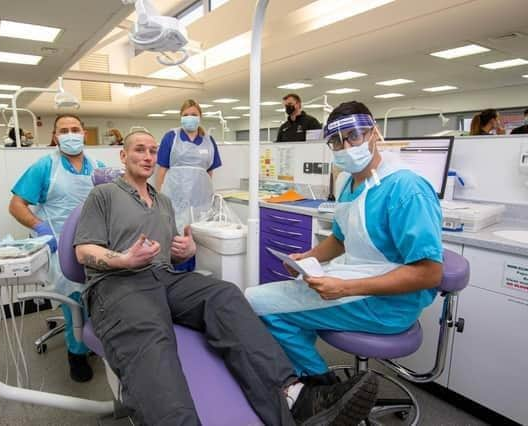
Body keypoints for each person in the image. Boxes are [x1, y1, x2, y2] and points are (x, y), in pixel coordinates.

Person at [74, 130, 379, 426]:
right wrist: (123, 259)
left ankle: (294, 398)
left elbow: (167, 253)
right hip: (119, 282)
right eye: (140, 149)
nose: (148, 156)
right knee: (149, 331)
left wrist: (186, 249)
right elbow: (83, 251)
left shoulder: (163, 202)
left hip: (164, 277)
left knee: (225, 295)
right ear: (123, 155)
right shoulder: (104, 195)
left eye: (153, 151)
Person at [246, 101, 444, 382]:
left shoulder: (406, 188)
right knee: (279, 304)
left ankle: (320, 386)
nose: (347, 147)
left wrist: (345, 288)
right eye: (337, 142)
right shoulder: (346, 183)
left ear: (373, 133)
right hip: (355, 280)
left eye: (354, 135)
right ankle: (302, 376)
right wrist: (309, 257)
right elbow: (340, 239)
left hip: (387, 303)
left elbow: (430, 272)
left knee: (256, 302)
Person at [9, 114, 106, 382]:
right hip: (60, 243)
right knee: (74, 296)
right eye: (64, 130)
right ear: (55, 136)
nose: (70, 134)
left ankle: (96, 338)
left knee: (102, 291)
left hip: (95, 240)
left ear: (84, 133)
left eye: (75, 129)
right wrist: (42, 228)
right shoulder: (44, 166)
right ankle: (76, 354)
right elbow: (16, 205)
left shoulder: (98, 166)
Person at [155, 99, 223, 271]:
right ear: (180, 117)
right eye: (185, 115)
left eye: (193, 114)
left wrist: (208, 196)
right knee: (178, 237)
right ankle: (177, 274)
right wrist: (157, 195)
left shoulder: (208, 141)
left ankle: (197, 274)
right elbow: (162, 168)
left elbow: (209, 171)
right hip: (174, 197)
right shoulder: (172, 137)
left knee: (199, 236)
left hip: (200, 199)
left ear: (200, 117)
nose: (189, 118)